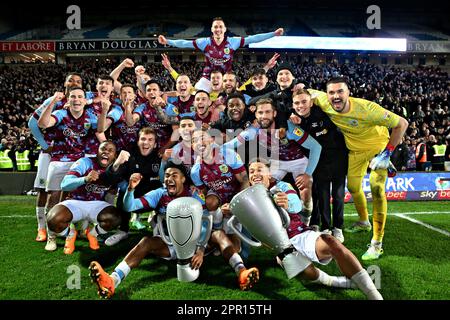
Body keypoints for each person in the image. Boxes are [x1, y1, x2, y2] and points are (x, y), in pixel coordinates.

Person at [247, 161, 383, 300]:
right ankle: (336, 282)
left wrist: (288, 203)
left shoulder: (281, 186)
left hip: (299, 235)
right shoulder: (248, 201)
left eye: (259, 170)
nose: (255, 174)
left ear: (269, 174)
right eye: (251, 171)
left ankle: (374, 295)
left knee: (330, 241)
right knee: (308, 274)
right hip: (281, 246)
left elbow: (296, 204)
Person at [307, 77, 408, 260]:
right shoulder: (323, 100)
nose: (335, 96)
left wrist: (387, 153)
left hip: (378, 149)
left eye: (340, 92)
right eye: (331, 92)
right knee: (353, 187)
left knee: (376, 188)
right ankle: (364, 221)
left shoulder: (368, 109)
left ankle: (377, 244)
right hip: (354, 151)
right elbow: (306, 92)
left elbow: (402, 123)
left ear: (348, 93)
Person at [89, 162, 207, 299]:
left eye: (175, 175)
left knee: (217, 235)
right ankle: (112, 280)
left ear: (183, 179)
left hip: (191, 246)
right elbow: (130, 207)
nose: (169, 179)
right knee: (145, 242)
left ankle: (237, 265)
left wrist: (200, 250)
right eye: (167, 175)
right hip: (168, 242)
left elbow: (204, 222)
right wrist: (130, 190)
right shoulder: (160, 193)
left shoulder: (194, 195)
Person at [226, 98, 322, 223]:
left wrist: (307, 174)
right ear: (256, 115)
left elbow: (316, 147)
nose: (264, 116)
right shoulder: (253, 130)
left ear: (274, 114)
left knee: (305, 185)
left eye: (267, 112)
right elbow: (229, 145)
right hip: (277, 161)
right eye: (260, 113)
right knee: (262, 182)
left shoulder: (288, 128)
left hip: (297, 160)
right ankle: (266, 220)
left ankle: (306, 219)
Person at [190, 129, 260, 290]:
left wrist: (236, 205)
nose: (199, 142)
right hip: (220, 201)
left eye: (202, 138)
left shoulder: (228, 154)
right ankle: (217, 227)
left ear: (211, 140)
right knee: (210, 202)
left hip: (238, 197)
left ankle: (216, 241)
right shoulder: (195, 171)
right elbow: (206, 193)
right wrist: (219, 208)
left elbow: (244, 181)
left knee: (239, 251)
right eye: (194, 140)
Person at [38, 88, 103, 251]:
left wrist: (105, 110)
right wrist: (53, 101)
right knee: (53, 197)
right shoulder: (60, 114)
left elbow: (101, 129)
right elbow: (43, 124)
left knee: (79, 197)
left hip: (80, 161)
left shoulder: (90, 116)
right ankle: (51, 236)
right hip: (59, 160)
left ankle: (75, 231)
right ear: (68, 99)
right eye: (73, 96)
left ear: (84, 100)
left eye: (80, 97)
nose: (77, 100)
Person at [158, 17, 283, 90]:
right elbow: (185, 43)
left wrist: (273, 34)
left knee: (237, 96)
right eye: (215, 27)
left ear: (224, 29)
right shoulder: (204, 42)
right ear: (212, 29)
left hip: (226, 79)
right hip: (207, 78)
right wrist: (167, 41)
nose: (218, 29)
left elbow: (253, 38)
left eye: (220, 27)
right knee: (196, 96)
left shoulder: (233, 42)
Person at [291, 89, 348, 241]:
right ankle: (325, 226)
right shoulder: (294, 120)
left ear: (311, 102)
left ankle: (338, 227)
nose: (300, 105)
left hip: (338, 158)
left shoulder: (323, 112)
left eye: (304, 101)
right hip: (318, 162)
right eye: (297, 103)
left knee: (338, 195)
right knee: (321, 195)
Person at [47, 141, 121, 254]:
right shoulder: (85, 162)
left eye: (110, 150)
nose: (106, 152)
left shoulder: (117, 169)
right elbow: (64, 184)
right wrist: (84, 179)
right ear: (97, 152)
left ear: (115, 156)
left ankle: (93, 234)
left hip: (97, 204)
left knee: (116, 218)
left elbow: (117, 189)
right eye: (103, 149)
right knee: (53, 220)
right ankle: (70, 233)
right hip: (75, 201)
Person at [102, 127, 163, 246]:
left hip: (152, 199)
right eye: (143, 139)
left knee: (165, 190)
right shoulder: (129, 155)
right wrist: (116, 164)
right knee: (123, 187)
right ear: (138, 142)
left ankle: (157, 220)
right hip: (132, 198)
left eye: (150, 140)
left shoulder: (161, 157)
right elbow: (108, 179)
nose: (146, 142)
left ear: (155, 144)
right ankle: (123, 230)